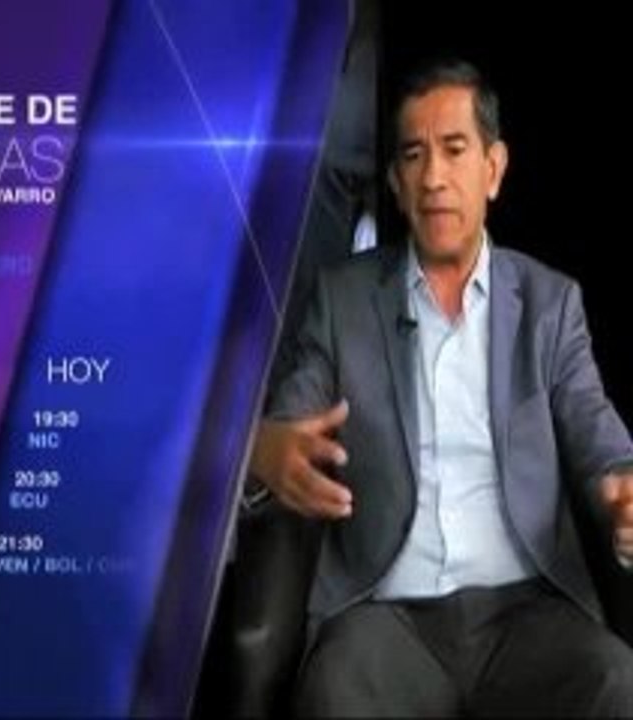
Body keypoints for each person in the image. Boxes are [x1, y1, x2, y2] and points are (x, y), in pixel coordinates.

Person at [246, 58, 633, 716]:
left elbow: (597, 435)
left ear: (493, 168)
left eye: (454, 150)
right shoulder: (342, 302)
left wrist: (623, 486)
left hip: (527, 613)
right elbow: (289, 426)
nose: (433, 177)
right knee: (333, 695)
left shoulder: (550, 304)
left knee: (615, 682)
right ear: (396, 184)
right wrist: (262, 448)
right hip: (386, 617)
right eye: (413, 155)